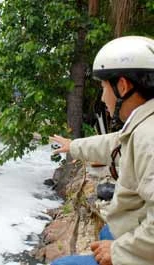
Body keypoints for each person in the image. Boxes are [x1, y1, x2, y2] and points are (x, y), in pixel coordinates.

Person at [50, 36, 154, 265]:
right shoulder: (143, 124)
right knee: (107, 232)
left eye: (103, 87)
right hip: (135, 223)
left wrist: (117, 253)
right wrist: (73, 146)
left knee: (61, 264)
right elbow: (113, 143)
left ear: (123, 86)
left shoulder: (148, 137)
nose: (102, 97)